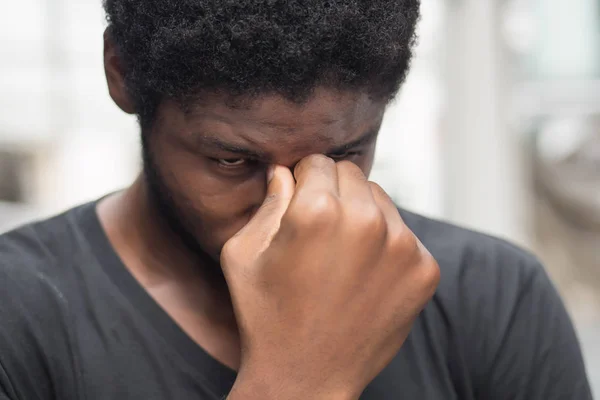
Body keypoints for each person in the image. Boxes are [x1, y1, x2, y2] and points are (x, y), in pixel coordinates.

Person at [0, 0, 593, 399]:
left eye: (340, 157)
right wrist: (301, 378)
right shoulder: (20, 316)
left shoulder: (493, 297)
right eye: (232, 161)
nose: (293, 208)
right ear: (121, 73)